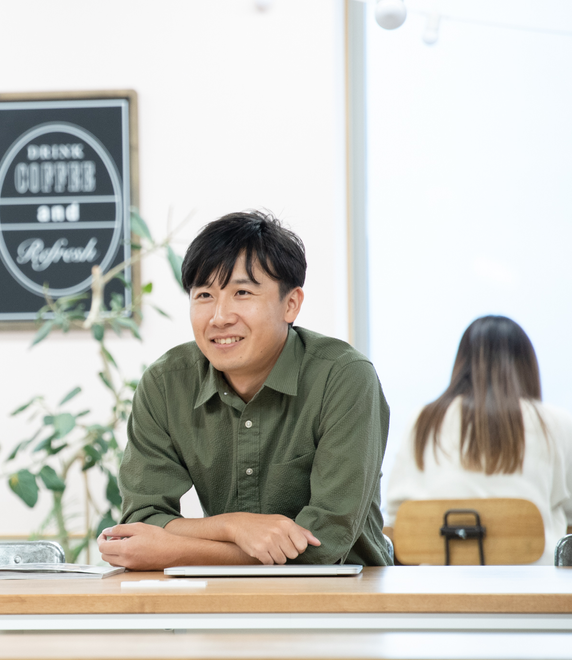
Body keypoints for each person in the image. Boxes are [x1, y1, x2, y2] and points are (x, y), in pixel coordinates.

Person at [99, 210, 392, 570]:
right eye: (204, 295)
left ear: (291, 304)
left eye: (242, 292)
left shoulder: (344, 378)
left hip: (349, 592)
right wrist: (233, 526)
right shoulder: (165, 383)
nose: (220, 316)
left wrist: (177, 551)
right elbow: (143, 521)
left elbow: (325, 542)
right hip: (221, 596)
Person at [384, 316, 572, 565]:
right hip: (533, 582)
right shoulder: (554, 421)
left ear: (462, 363)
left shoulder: (424, 420)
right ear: (526, 365)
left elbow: (397, 512)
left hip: (440, 582)